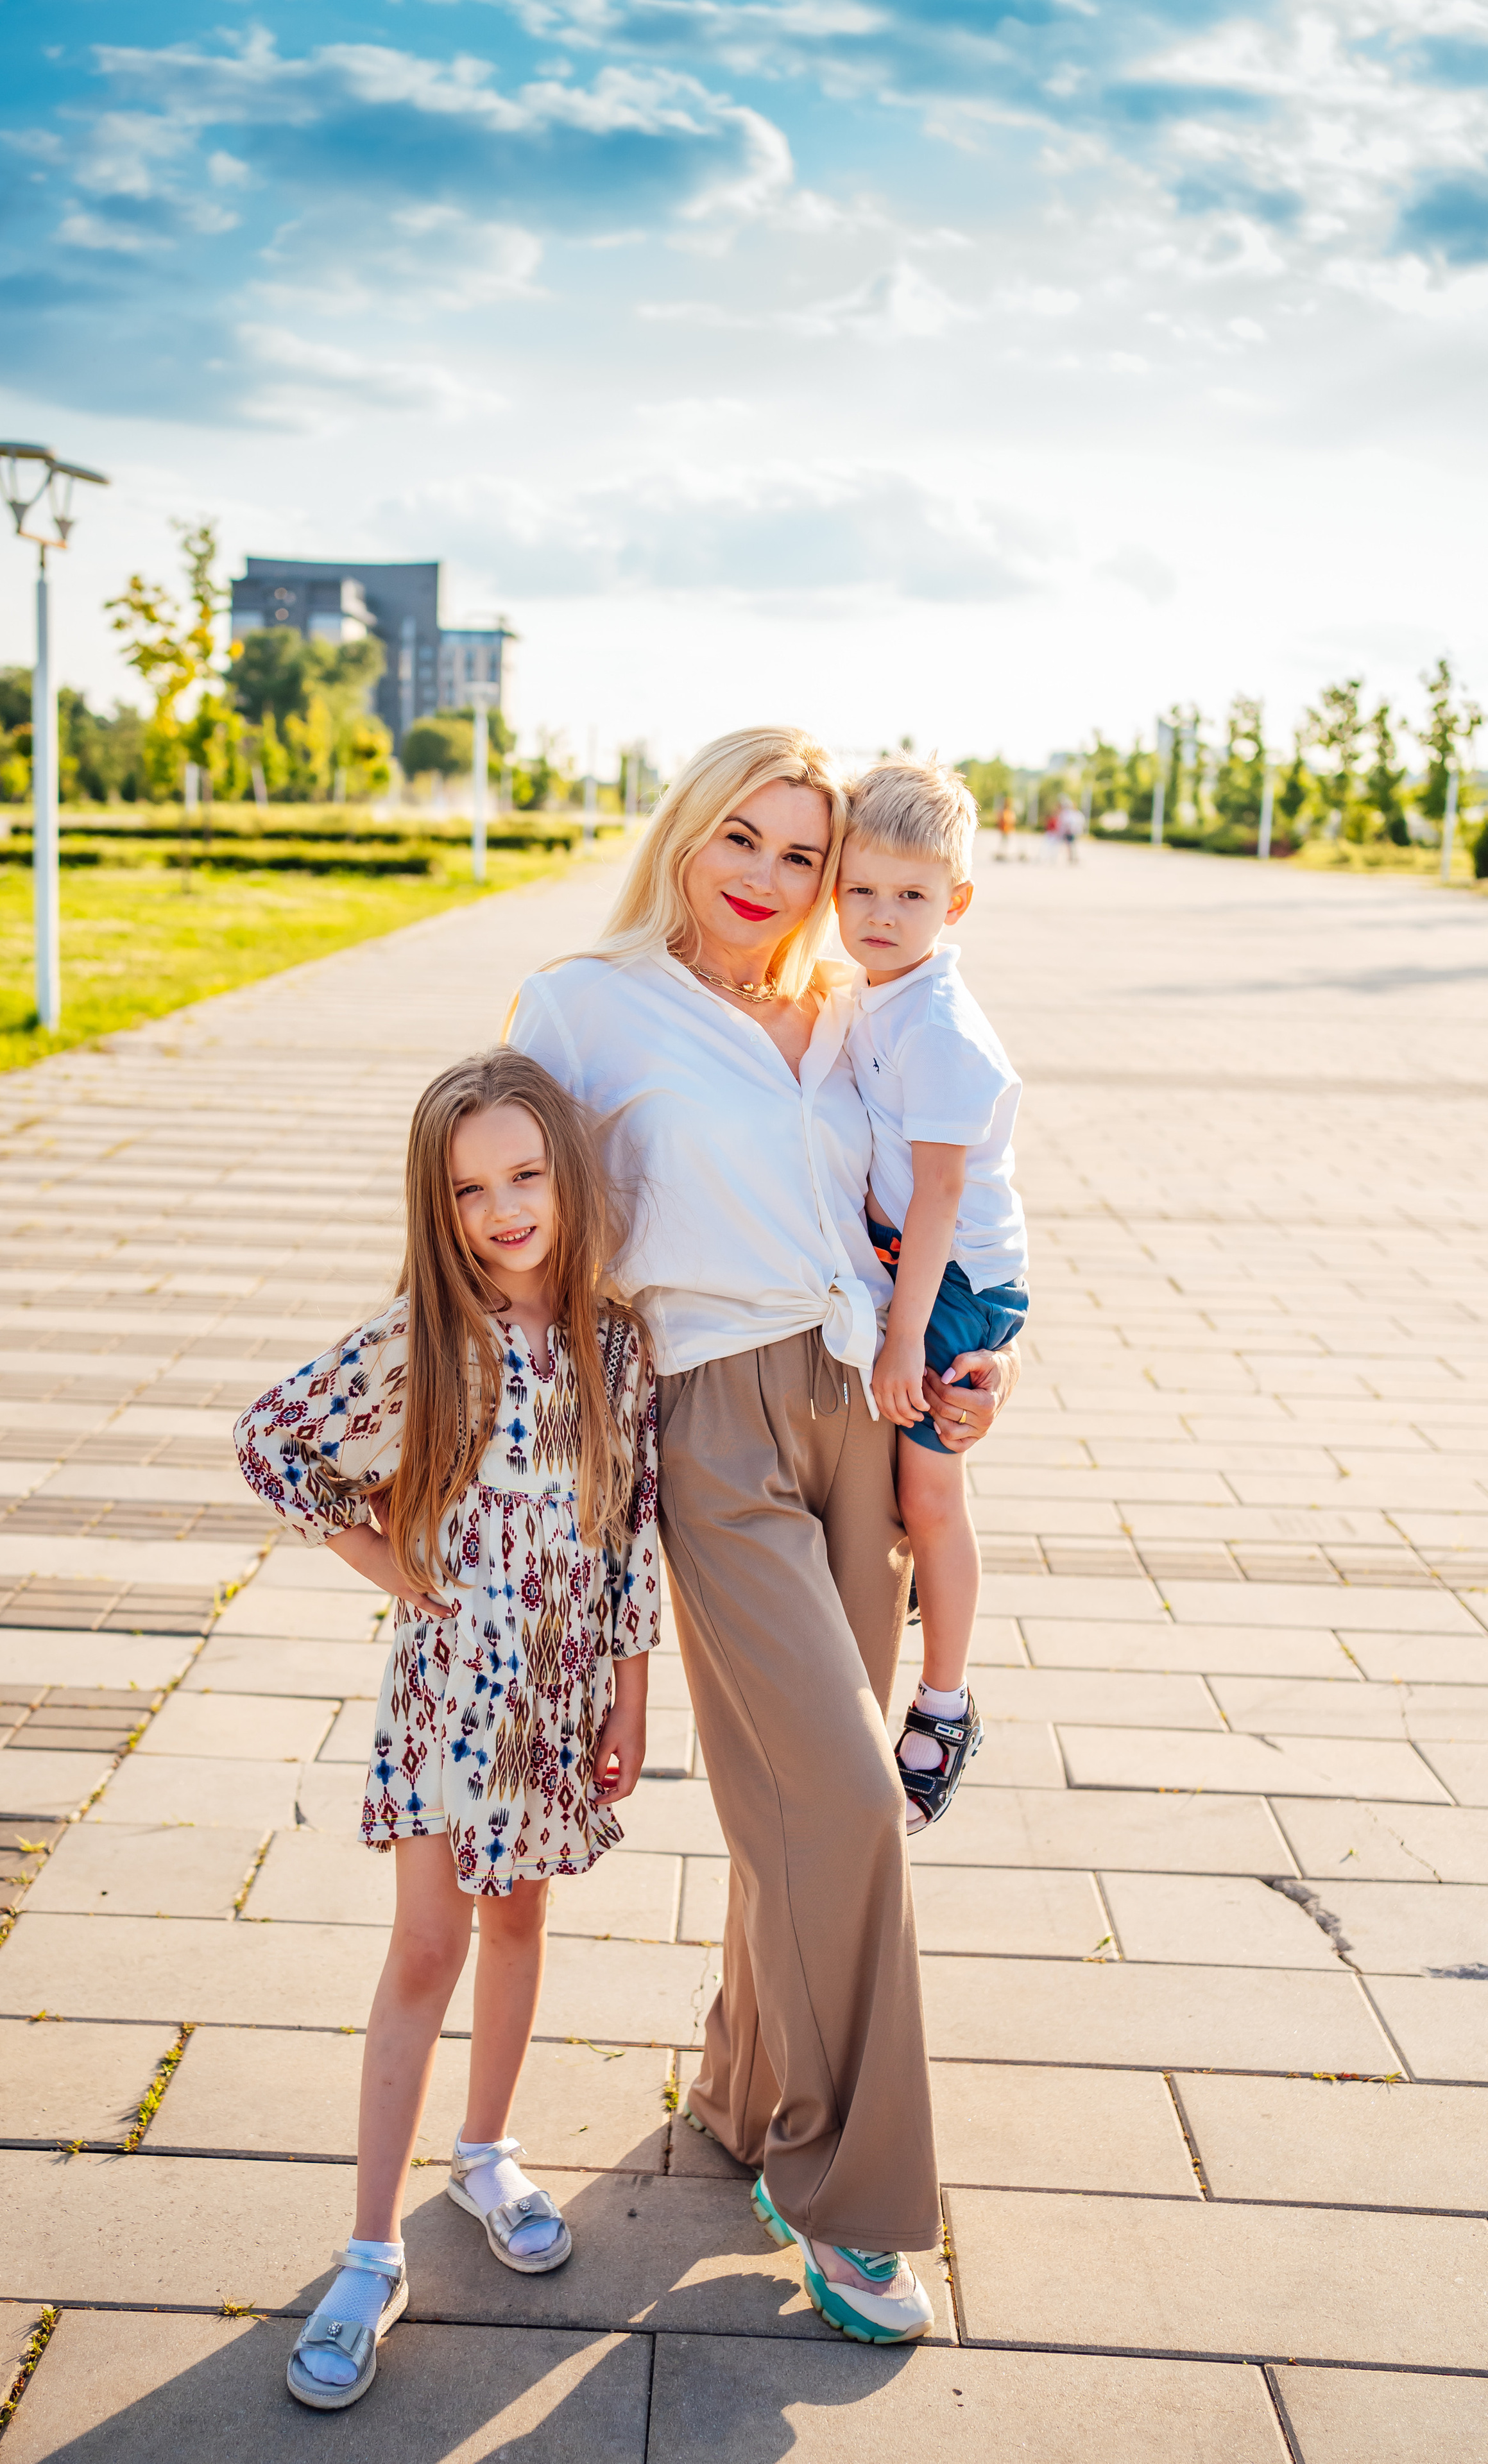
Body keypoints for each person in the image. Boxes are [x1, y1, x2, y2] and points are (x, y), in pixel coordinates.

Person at [506, 726, 1018, 2346]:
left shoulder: (850, 1005)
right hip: (714, 1413)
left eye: (801, 855)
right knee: (845, 1803)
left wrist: (965, 1364)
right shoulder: (581, 1004)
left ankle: (742, 2085)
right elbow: (518, 1237)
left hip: (862, 1409)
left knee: (801, 1796)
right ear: (684, 826)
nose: (768, 878)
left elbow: (923, 1208)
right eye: (744, 836)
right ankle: (852, 2198)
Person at [234, 1050, 659, 2411]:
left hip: (556, 1690)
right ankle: (369, 2250)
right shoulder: (422, 1339)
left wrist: (630, 1689)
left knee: (521, 1926)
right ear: (442, 1202)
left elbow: (630, 1527)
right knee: (426, 1946)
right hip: (446, 1693)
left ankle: (484, 2154)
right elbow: (269, 1442)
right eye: (471, 1188)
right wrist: (383, 1564)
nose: (503, 1208)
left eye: (525, 1175)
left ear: (565, 1178)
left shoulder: (613, 1342)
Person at [833, 760, 1029, 1835]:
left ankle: (946, 1704)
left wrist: (907, 1338)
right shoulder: (882, 996)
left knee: (931, 1496)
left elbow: (945, 1193)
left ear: (955, 903)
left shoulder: (939, 1026)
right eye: (862, 889)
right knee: (909, 1488)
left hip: (949, 1279)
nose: (882, 914)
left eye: (911, 895)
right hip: (911, 1254)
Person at [993, 792, 1016, 860]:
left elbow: (1012, 820)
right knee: (1004, 842)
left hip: (1008, 830)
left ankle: (1006, 854)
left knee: (1007, 842)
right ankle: (1003, 854)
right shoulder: (1004, 812)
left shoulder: (1008, 812)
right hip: (1005, 830)